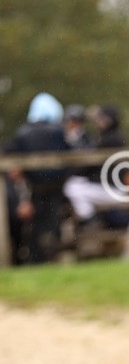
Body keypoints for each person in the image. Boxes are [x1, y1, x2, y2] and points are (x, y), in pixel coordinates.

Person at [4, 93, 69, 263]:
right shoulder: (57, 131)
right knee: (52, 224)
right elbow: (68, 156)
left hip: (32, 188)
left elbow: (12, 157)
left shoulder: (23, 133)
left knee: (34, 227)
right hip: (55, 187)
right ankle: (51, 255)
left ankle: (33, 259)